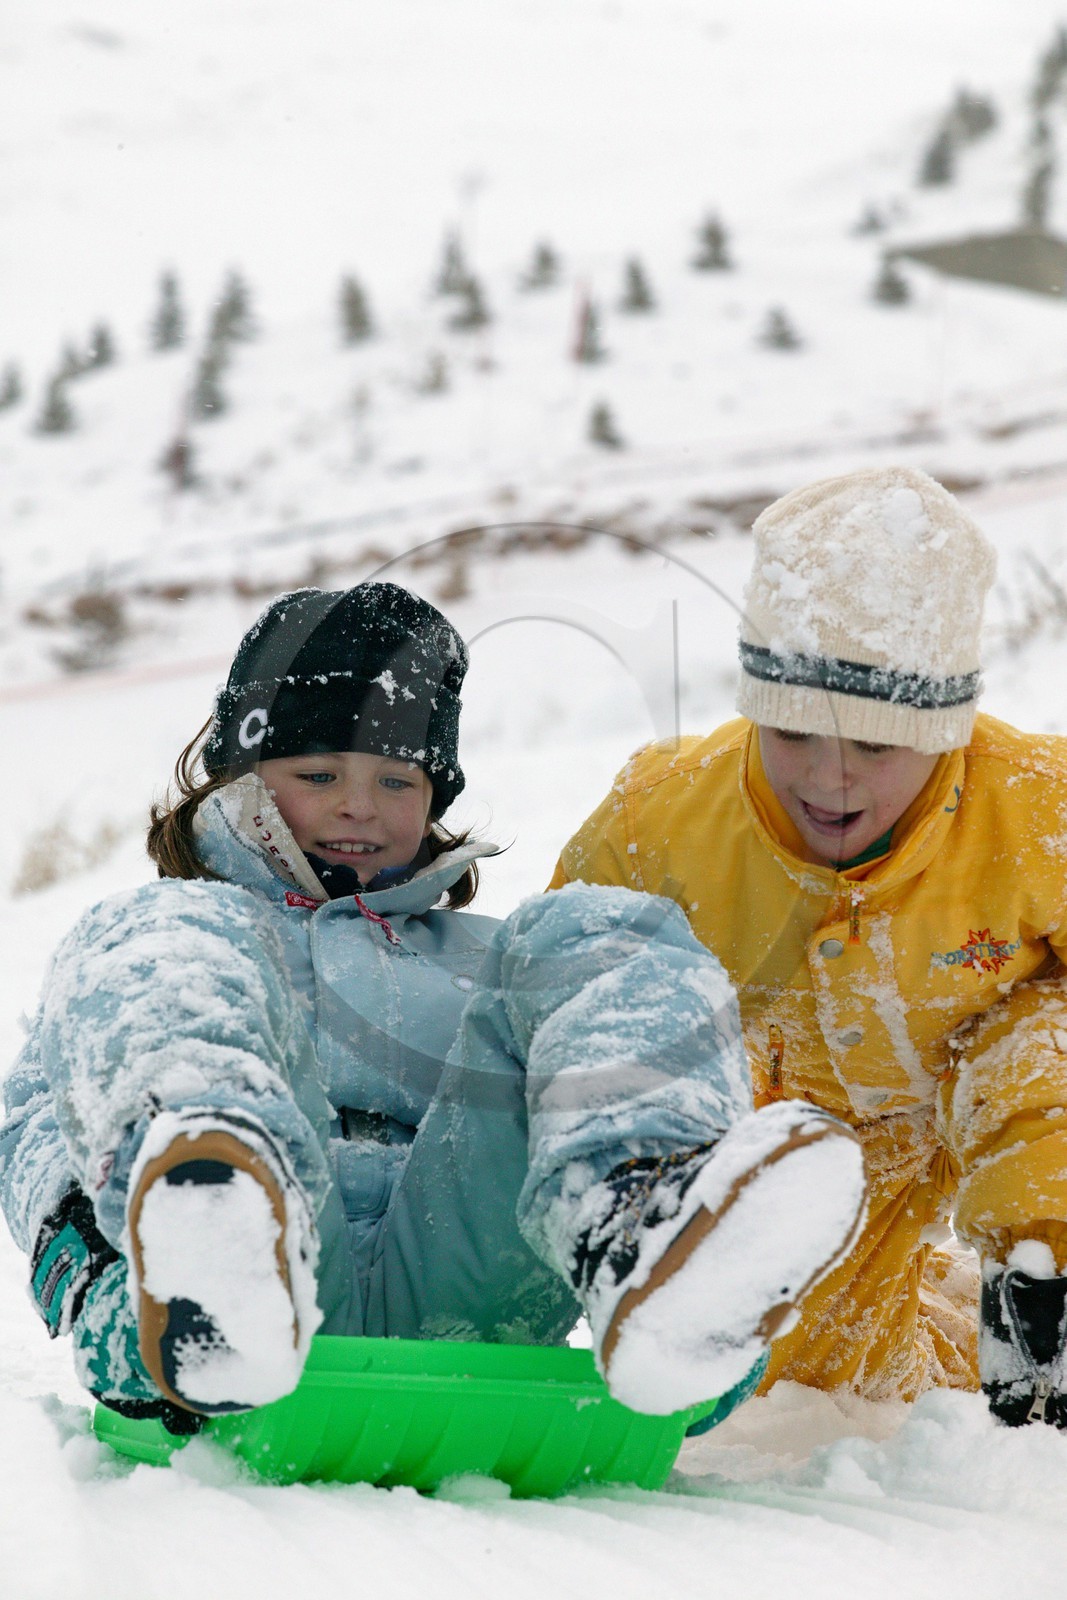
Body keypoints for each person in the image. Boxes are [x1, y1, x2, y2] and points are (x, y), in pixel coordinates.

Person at [0, 582, 865, 1433]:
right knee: (159, 930)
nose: (359, 805)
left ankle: (644, 1237)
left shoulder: (486, 962)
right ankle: (210, 1223)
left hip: (468, 1285)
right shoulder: (184, 944)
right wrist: (98, 1289)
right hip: (262, 1281)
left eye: (398, 782)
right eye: (318, 772)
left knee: (600, 927)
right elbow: (39, 1123)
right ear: (240, 778)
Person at [551, 464, 1067, 1428]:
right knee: (807, 1388)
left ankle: (1046, 1283)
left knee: (1039, 1032)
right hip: (768, 1146)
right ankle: (916, 1316)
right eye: (794, 734)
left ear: (945, 733)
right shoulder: (658, 819)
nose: (830, 779)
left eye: (876, 746)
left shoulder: (1040, 813)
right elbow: (548, 1024)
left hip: (957, 1124)